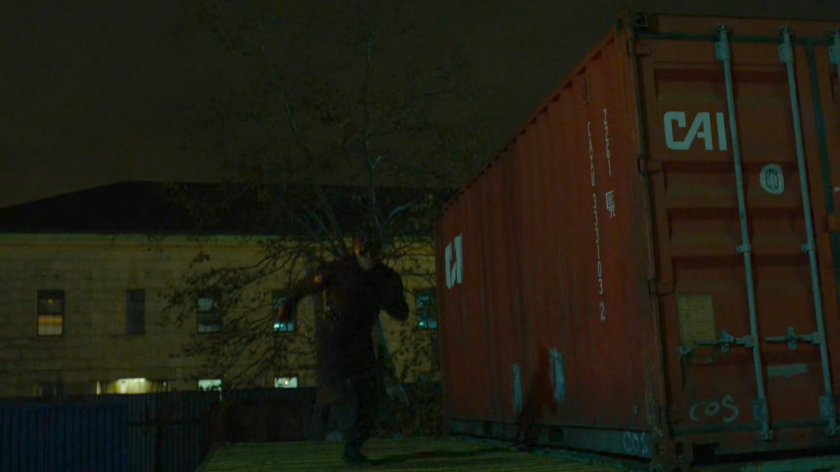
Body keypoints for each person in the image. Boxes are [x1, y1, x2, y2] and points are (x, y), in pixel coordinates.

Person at [277, 232, 409, 464]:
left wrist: (388, 299)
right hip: (335, 337)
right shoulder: (339, 269)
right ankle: (326, 419)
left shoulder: (385, 277)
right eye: (364, 254)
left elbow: (402, 312)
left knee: (369, 393)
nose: (369, 259)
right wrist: (289, 304)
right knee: (337, 385)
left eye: (373, 254)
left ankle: (354, 445)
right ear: (357, 252)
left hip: (360, 338)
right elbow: (308, 284)